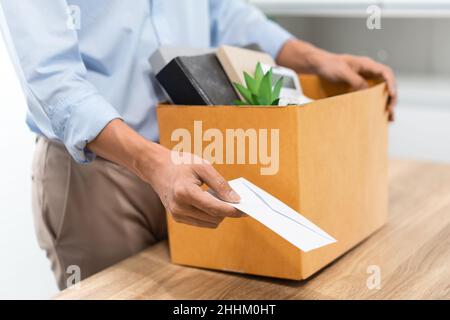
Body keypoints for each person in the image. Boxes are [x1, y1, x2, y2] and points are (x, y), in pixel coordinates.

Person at [0, 0, 396, 289]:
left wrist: (312, 58)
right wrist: (152, 162)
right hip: (100, 175)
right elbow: (52, 80)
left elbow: (221, 10)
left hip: (193, 157)